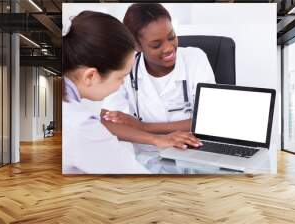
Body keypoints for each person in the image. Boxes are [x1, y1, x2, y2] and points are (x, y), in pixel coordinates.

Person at [62, 11, 200, 174]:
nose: (122, 83)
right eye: (121, 77)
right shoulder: (82, 127)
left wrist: (155, 138)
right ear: (91, 76)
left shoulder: (68, 108)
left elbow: (102, 123)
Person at [101, 3, 215, 168]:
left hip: (192, 154)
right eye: (156, 45)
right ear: (137, 46)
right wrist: (156, 138)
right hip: (145, 158)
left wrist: (143, 126)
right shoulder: (125, 68)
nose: (169, 48)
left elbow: (208, 120)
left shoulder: (195, 59)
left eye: (171, 36)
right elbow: (111, 121)